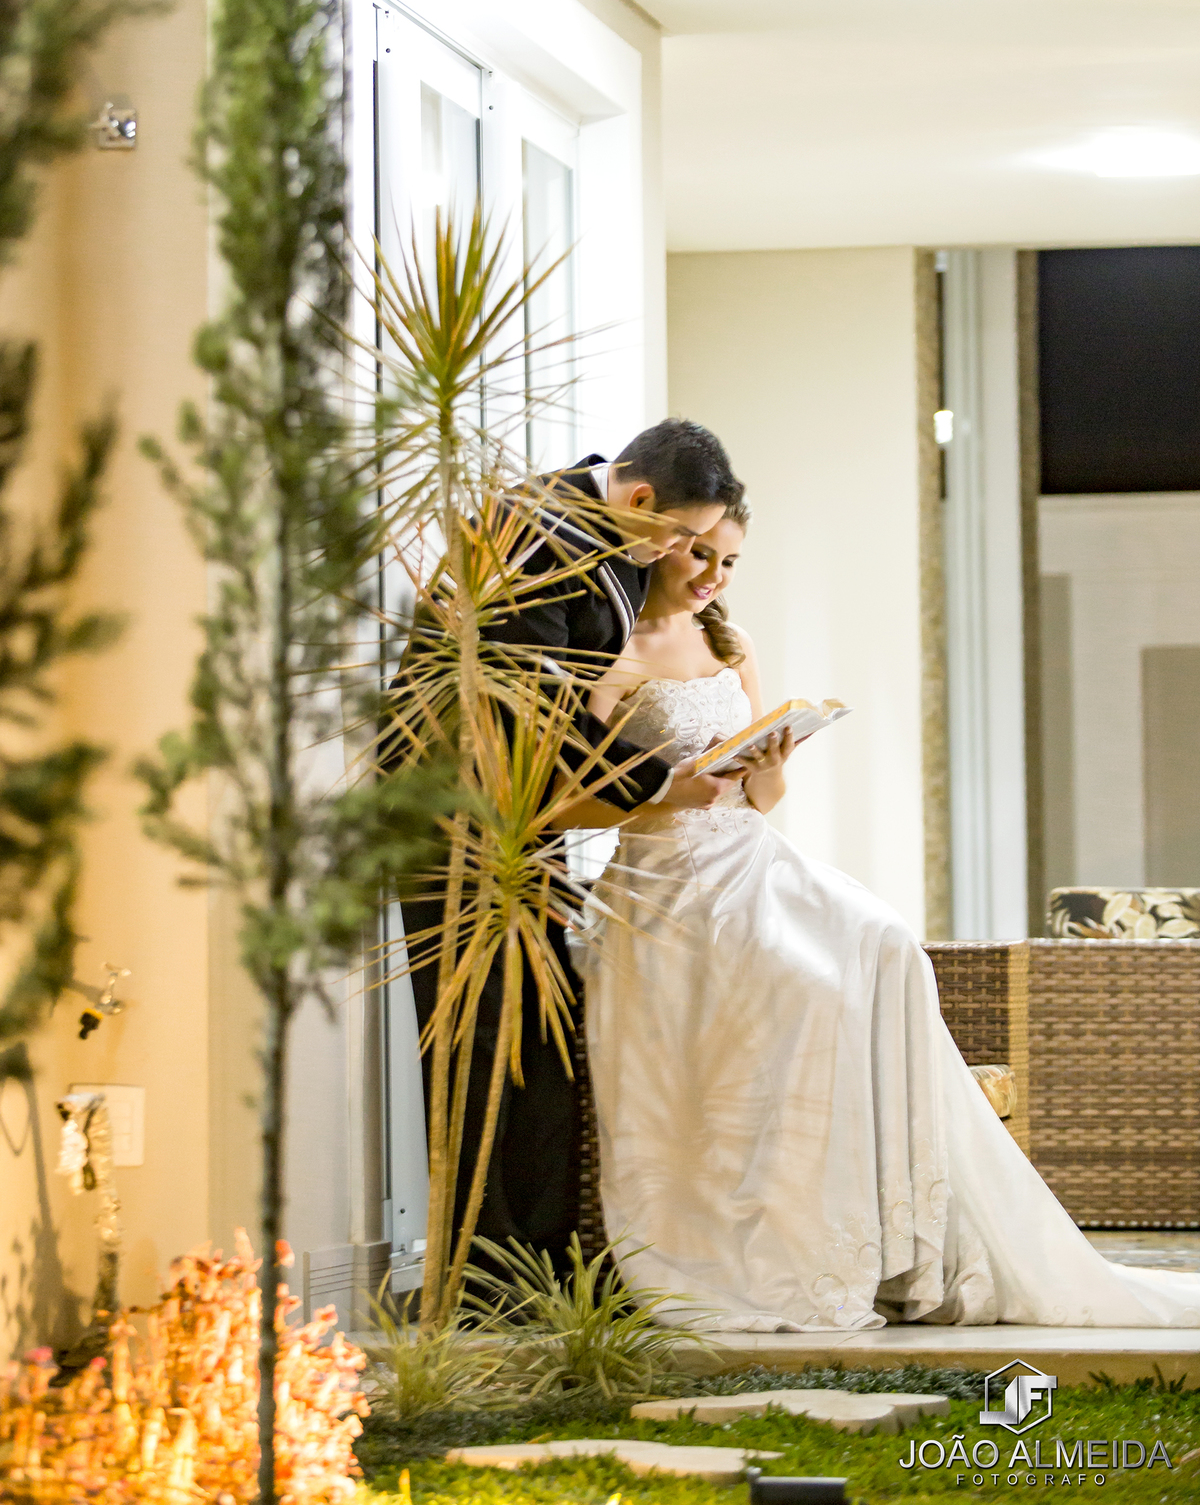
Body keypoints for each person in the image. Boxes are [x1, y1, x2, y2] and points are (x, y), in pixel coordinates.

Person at [564, 499, 1200, 1331]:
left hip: (752, 862)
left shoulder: (733, 644)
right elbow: (580, 800)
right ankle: (776, 1240)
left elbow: (764, 800)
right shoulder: (610, 658)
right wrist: (669, 790)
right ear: (665, 546)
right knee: (812, 991)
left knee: (889, 943)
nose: (714, 576)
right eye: (702, 555)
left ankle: (901, 1240)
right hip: (666, 882)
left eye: (730, 563)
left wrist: (771, 761)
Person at [401, 418, 747, 1273]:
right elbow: (528, 705)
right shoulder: (530, 533)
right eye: (681, 535)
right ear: (641, 497)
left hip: (528, 818)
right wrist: (659, 782)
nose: (680, 554)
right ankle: (483, 1272)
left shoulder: (608, 530)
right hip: (456, 814)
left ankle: (547, 1260)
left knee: (545, 1036)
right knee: (481, 1043)